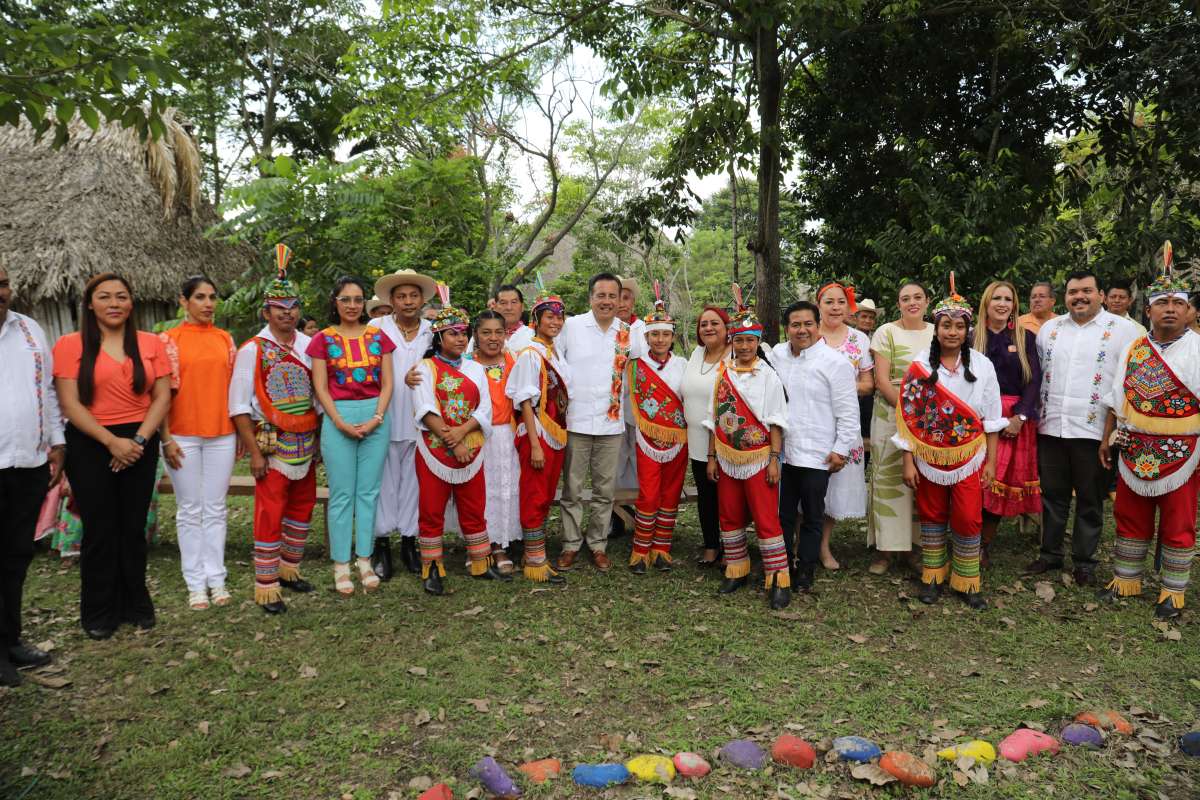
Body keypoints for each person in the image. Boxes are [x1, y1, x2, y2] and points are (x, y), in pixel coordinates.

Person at [53, 273, 172, 639]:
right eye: (104, 297)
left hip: (141, 438)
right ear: (90, 304)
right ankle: (99, 611)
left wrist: (135, 441)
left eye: (121, 296)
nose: (114, 303)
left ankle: (136, 603)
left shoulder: (151, 343)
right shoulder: (70, 345)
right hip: (90, 442)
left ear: (132, 302)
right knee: (101, 529)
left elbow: (162, 397)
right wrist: (111, 442)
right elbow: (70, 405)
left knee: (133, 528)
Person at [1099, 254, 1200, 619]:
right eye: (1162, 303)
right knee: (1129, 515)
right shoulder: (1135, 348)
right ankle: (1126, 580)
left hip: (1183, 450)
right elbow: (1116, 397)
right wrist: (1105, 438)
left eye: (1177, 303)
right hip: (1134, 446)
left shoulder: (1198, 349)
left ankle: (1172, 592)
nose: (1169, 310)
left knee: (1178, 520)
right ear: (1149, 310)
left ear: (1188, 310)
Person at [895, 279, 1004, 609]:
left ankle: (968, 580)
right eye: (946, 325)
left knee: (969, 517)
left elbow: (993, 417)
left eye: (959, 326)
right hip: (928, 457)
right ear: (936, 328)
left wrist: (992, 462)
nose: (952, 332)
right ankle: (932, 576)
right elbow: (908, 417)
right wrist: (908, 460)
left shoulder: (983, 366)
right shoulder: (920, 366)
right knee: (931, 514)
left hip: (970, 456)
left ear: (968, 330)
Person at [1025, 271, 1139, 584]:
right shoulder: (1050, 329)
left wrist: (1110, 434)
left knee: (1090, 497)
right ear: (1065, 297)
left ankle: (1085, 561)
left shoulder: (1123, 330)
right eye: (1073, 291)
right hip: (1052, 427)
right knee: (1052, 494)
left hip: (1094, 432)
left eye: (1087, 291)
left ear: (1101, 295)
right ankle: (1049, 554)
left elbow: (1125, 384)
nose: (1080, 297)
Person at [228, 244, 320, 614]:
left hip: (306, 438)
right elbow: (238, 406)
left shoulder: (310, 345)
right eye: (280, 309)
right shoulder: (253, 349)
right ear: (266, 311)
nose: (288, 314)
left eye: (293, 307)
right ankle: (265, 585)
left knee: (302, 506)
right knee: (270, 511)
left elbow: (320, 393)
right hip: (271, 442)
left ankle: (289, 570)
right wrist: (253, 452)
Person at [412, 294, 507, 594]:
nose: (459, 338)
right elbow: (426, 409)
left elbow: (485, 409)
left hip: (471, 448)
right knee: (431, 509)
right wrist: (452, 441)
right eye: (452, 333)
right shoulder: (424, 368)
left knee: (474, 506)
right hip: (435, 451)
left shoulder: (474, 368)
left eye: (462, 333)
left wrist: (463, 432)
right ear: (439, 336)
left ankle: (480, 562)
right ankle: (432, 567)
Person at [308, 276, 395, 595]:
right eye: (345, 299)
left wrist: (376, 417)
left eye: (358, 299)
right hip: (338, 416)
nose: (352, 305)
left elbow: (388, 383)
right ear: (335, 302)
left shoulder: (379, 337)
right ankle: (341, 565)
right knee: (342, 494)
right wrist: (339, 422)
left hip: (375, 416)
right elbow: (320, 386)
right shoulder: (322, 339)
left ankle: (365, 560)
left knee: (368, 492)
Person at [0, 266, 64, 685]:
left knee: (16, 557)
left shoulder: (28, 330)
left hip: (27, 463)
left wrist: (57, 442)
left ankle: (11, 640)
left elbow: (48, 392)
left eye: (3, 282)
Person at [158, 276, 238, 611]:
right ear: (184, 301)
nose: (208, 304)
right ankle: (195, 583)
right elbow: (159, 395)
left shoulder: (225, 339)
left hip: (222, 433)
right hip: (182, 435)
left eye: (212, 297)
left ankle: (216, 578)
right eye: (200, 297)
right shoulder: (168, 340)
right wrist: (165, 438)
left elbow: (236, 389)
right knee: (190, 510)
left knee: (215, 508)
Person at [705, 299, 790, 609]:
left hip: (758, 457)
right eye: (738, 340)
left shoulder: (768, 376)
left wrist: (774, 459)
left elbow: (776, 420)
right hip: (727, 457)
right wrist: (712, 457)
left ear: (758, 342)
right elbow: (713, 420)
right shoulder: (722, 374)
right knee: (729, 513)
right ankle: (736, 568)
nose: (743, 346)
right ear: (732, 341)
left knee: (766, 518)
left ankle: (778, 577)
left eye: (749, 340)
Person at [557, 272, 640, 573]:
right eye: (600, 295)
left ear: (620, 300)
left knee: (605, 490)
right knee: (573, 489)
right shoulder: (571, 327)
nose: (606, 301)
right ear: (590, 297)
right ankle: (569, 544)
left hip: (611, 424)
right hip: (576, 422)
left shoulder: (629, 333)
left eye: (612, 296)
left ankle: (597, 544)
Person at [772, 300, 858, 592]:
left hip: (818, 453)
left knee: (812, 514)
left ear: (818, 325)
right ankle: (781, 565)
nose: (802, 330)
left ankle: (806, 569)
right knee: (783, 514)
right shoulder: (776, 356)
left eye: (808, 323)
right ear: (787, 329)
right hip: (783, 452)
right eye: (795, 324)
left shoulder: (835, 363)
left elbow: (848, 411)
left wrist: (841, 448)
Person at [372, 268, 437, 578]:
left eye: (413, 295)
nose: (408, 301)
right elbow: (365, 369)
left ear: (422, 299)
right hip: (383, 415)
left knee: (414, 482)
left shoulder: (433, 330)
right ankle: (381, 544)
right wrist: (399, 378)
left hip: (420, 420)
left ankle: (410, 542)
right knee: (383, 482)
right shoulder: (376, 327)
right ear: (391, 300)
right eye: (401, 296)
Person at [867, 282, 934, 574]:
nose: (912, 303)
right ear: (899, 304)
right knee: (888, 478)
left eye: (918, 297)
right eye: (905, 298)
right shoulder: (886, 332)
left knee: (921, 478)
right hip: (890, 410)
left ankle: (916, 548)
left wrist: (923, 414)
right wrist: (908, 412)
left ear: (927, 301)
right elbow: (881, 380)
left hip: (931, 415)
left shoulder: (937, 331)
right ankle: (884, 550)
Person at [975, 281, 1043, 567]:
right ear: (986, 303)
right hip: (977, 417)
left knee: (998, 483)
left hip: (1014, 417)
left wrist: (1021, 417)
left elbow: (1034, 380)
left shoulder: (1025, 336)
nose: (1002, 303)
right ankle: (967, 537)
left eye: (1008, 299)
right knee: (975, 482)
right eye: (997, 298)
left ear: (1014, 305)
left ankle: (983, 545)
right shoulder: (970, 336)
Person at [506, 290, 570, 584]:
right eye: (549, 316)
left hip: (554, 432)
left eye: (559, 316)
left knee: (544, 495)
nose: (555, 321)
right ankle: (535, 561)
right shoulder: (531, 354)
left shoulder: (552, 350)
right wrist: (534, 444)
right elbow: (524, 402)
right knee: (535, 495)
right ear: (536, 320)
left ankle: (535, 553)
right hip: (538, 434)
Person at [626, 297, 688, 573]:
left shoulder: (683, 364)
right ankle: (641, 549)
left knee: (671, 492)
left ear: (672, 336)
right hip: (646, 438)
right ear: (646, 336)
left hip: (678, 438)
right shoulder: (635, 366)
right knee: (649, 494)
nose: (660, 339)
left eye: (665, 334)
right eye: (654, 334)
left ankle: (662, 547)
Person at [814, 282, 872, 570]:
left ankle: (823, 545)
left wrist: (841, 389)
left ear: (849, 307)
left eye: (840, 302)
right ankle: (802, 541)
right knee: (807, 480)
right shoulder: (808, 335)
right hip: (811, 420)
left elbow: (868, 382)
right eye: (829, 302)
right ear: (819, 305)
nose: (835, 307)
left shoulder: (859, 339)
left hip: (846, 422)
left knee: (835, 483)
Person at [467, 310, 521, 573]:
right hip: (475, 436)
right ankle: (476, 545)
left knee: (501, 489)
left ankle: (499, 545)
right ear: (476, 335)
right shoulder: (465, 364)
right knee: (477, 492)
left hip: (506, 436)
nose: (493, 338)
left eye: (498, 332)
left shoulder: (514, 361)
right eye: (486, 332)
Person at [681, 306, 731, 567]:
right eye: (703, 324)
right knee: (706, 495)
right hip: (697, 439)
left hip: (726, 440)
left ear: (726, 327)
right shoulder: (696, 353)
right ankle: (711, 544)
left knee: (729, 496)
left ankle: (734, 546)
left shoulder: (738, 352)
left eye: (715, 323)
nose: (708, 328)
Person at [613, 275, 647, 536]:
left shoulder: (644, 328)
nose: (622, 303)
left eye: (626, 298)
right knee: (614, 459)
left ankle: (639, 510)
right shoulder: (605, 328)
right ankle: (615, 514)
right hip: (611, 404)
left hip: (638, 403)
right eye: (617, 298)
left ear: (633, 301)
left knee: (638, 457)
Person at [493, 284, 534, 353]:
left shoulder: (534, 336)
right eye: (503, 303)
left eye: (514, 302)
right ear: (495, 307)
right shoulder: (483, 335)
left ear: (522, 306)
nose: (509, 307)